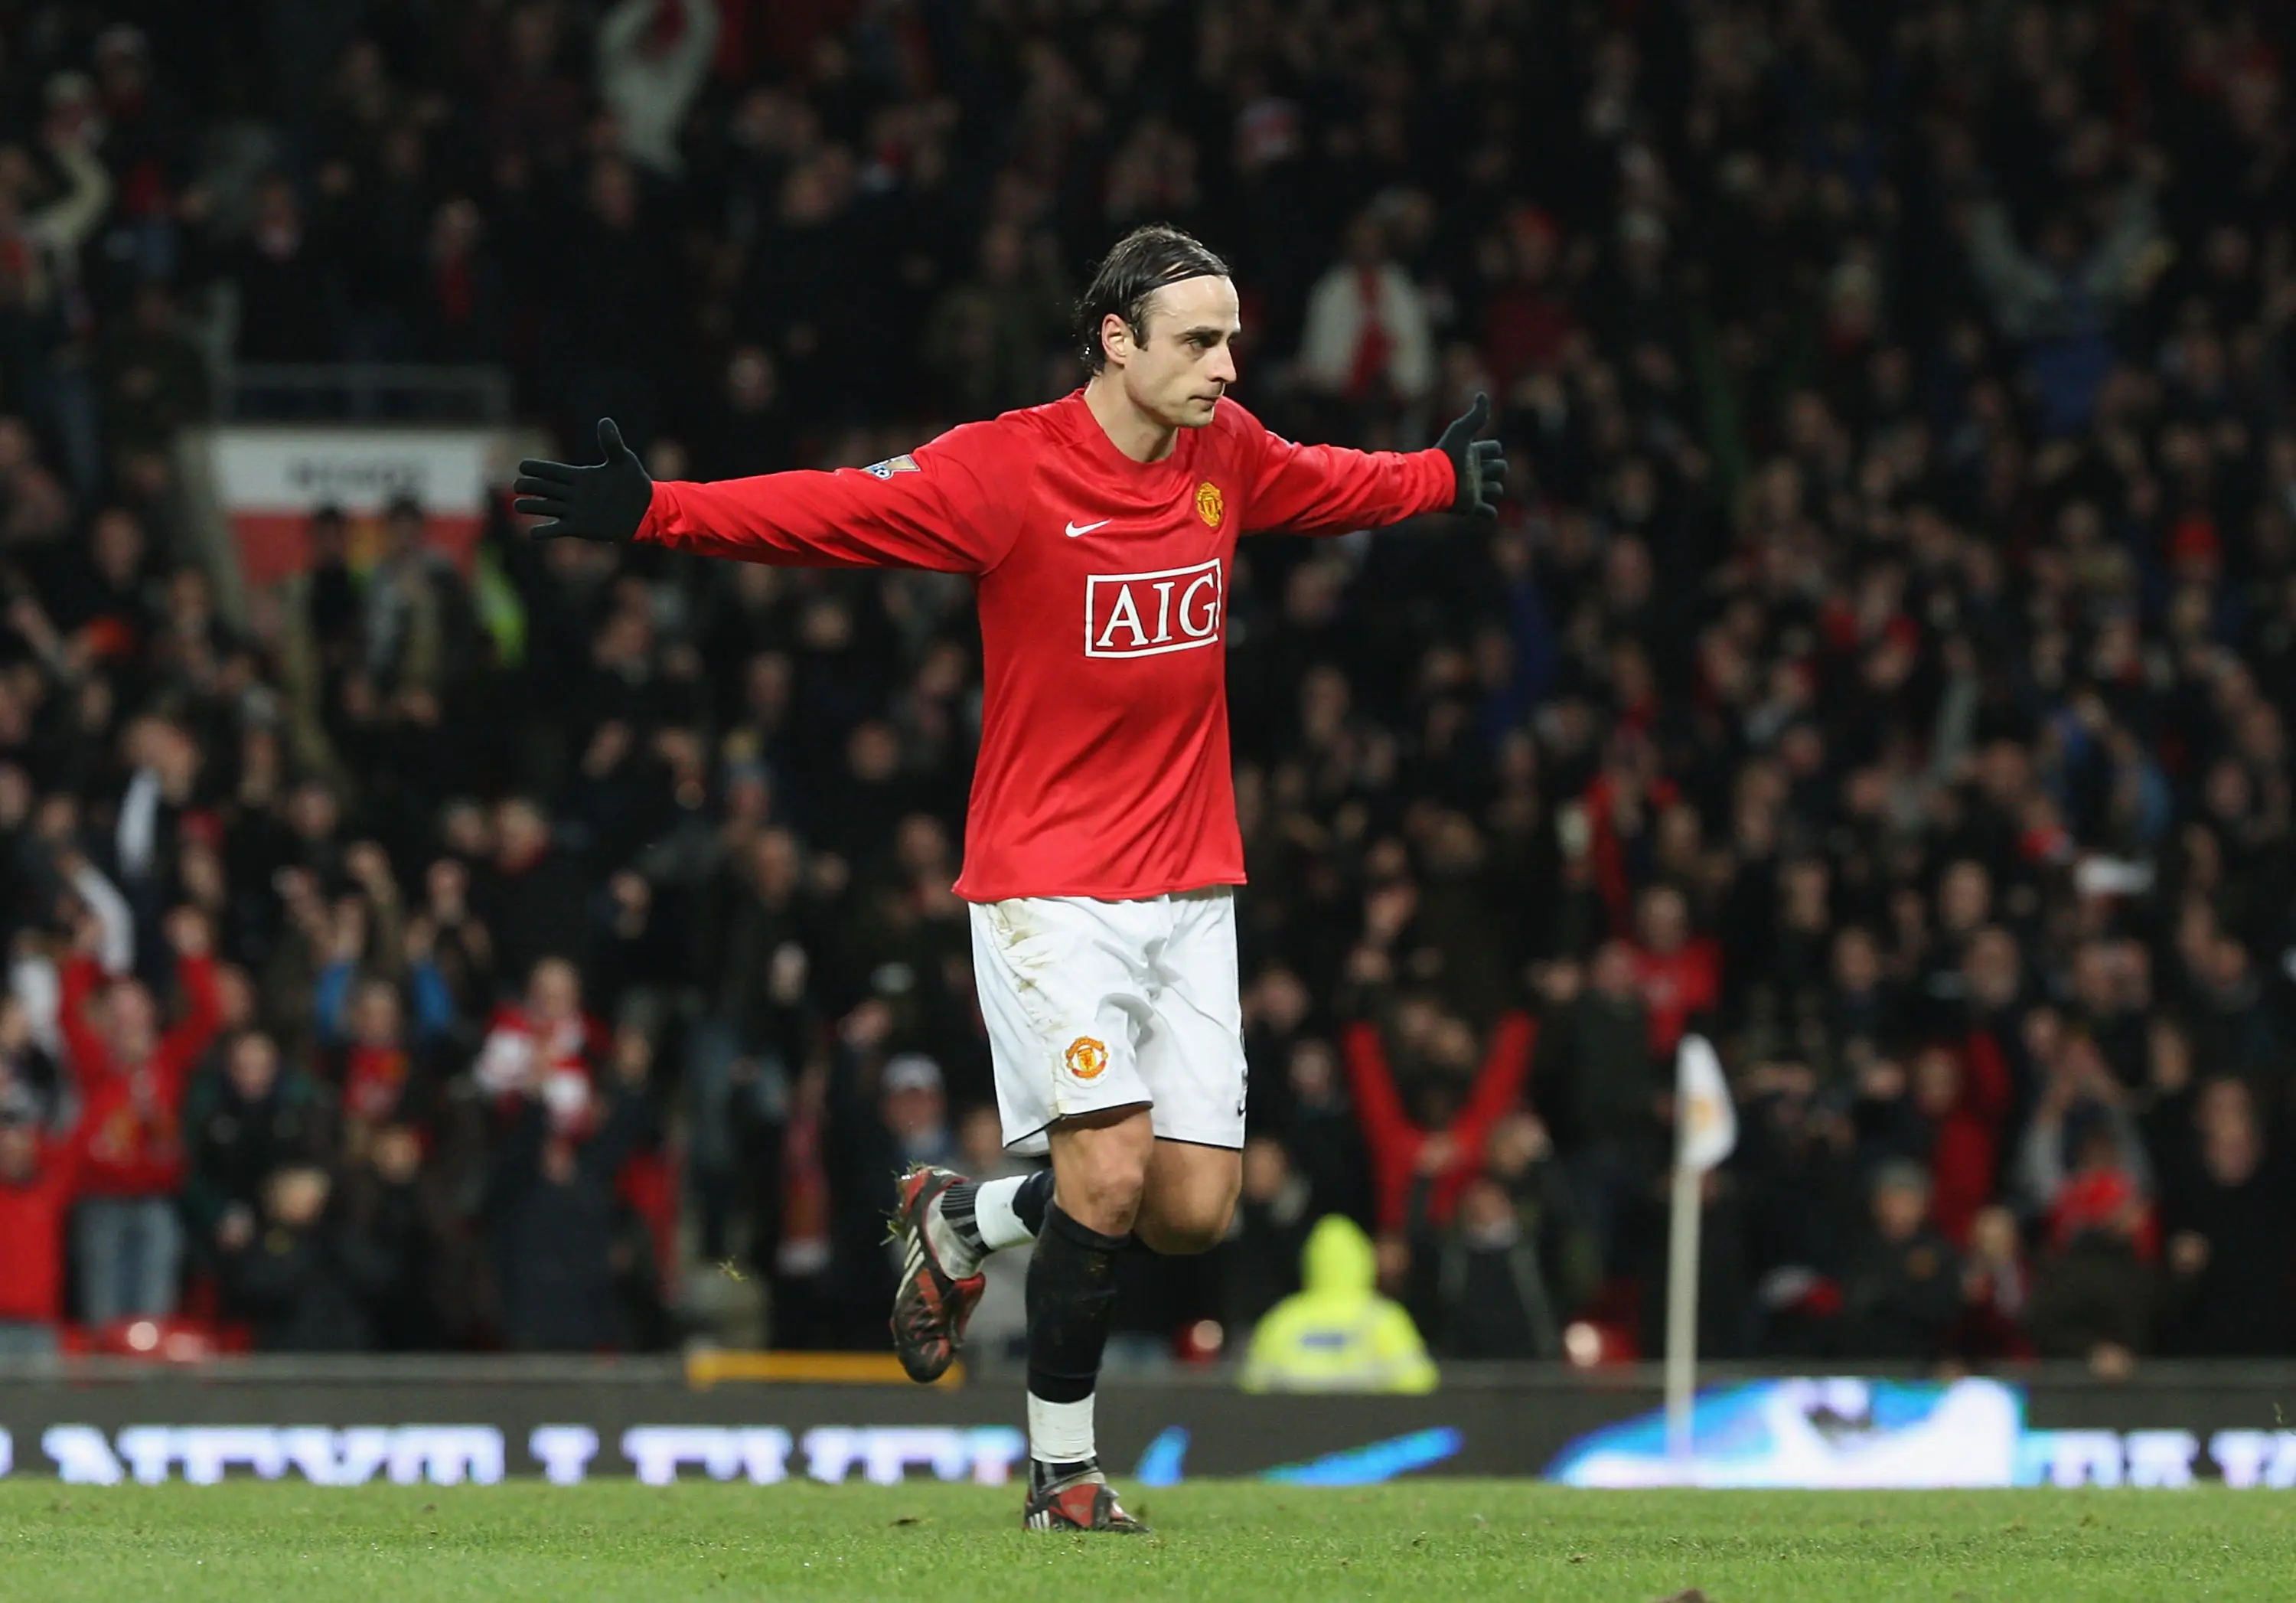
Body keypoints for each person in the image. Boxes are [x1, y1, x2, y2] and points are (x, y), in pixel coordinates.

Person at [513, 222, 1505, 1531]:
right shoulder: (1008, 468)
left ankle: (962, 1218)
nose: (1226, 364)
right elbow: (833, 507)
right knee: (1105, 1175)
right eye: (1201, 339)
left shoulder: (1225, 451)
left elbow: (1328, 480)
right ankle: (1064, 1476)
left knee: (1193, 1209)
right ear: (1116, 339)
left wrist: (1439, 473)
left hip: (1192, 886)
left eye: (1232, 339)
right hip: (1051, 888)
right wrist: (657, 513)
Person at [1238, 1213, 1437, 1393]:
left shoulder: (1283, 1319)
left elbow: (1251, 1385)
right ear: (1363, 1259)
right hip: (1371, 1430)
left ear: (1310, 1260)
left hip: (1295, 1431)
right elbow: (1419, 1383)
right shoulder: (1383, 1318)